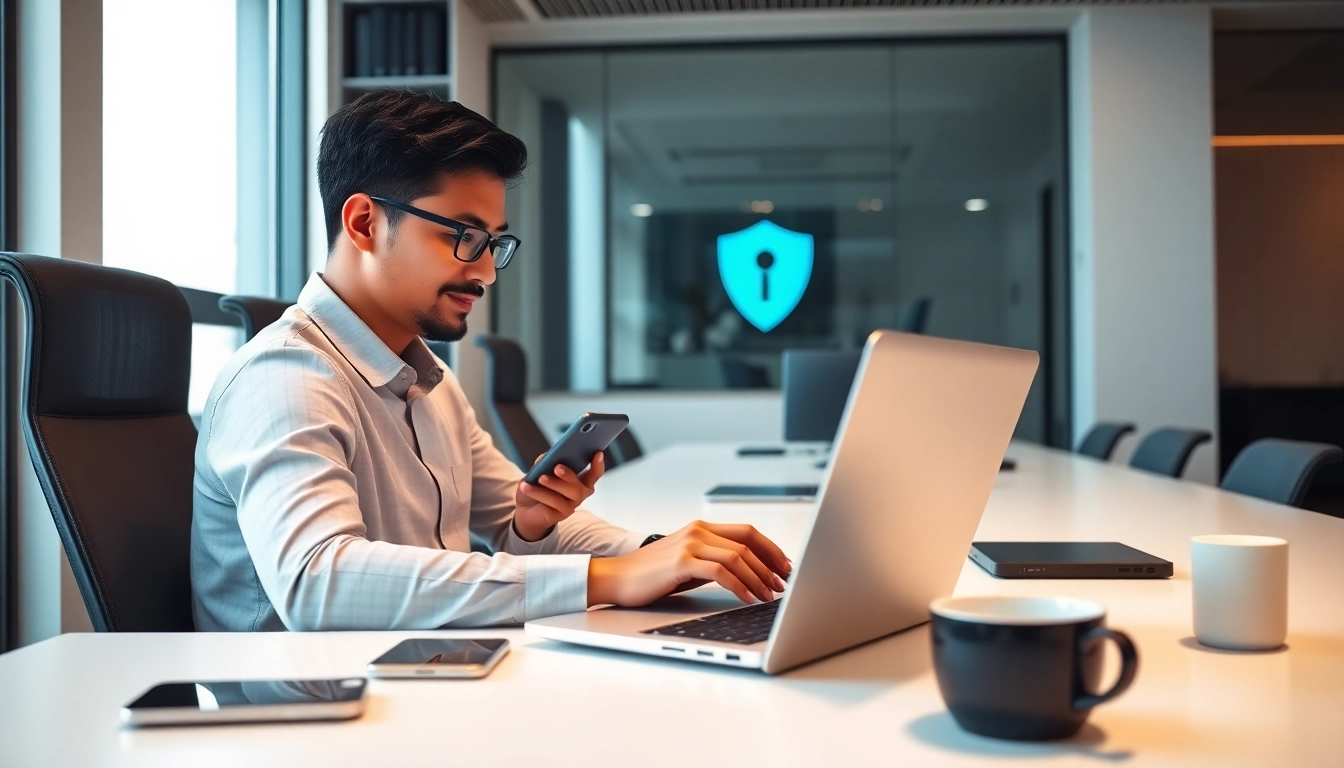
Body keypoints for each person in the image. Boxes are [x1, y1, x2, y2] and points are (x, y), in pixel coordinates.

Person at [191, 90, 790, 632]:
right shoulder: (283, 377)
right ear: (365, 222)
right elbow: (316, 581)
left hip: (433, 672)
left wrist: (662, 555)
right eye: (465, 236)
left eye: (493, 243)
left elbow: (513, 523)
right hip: (322, 705)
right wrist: (609, 578)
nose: (484, 271)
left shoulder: (430, 381)